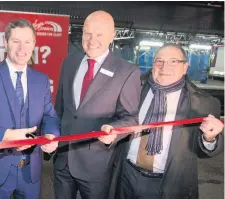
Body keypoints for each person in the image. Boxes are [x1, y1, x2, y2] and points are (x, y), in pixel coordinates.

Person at [110, 43, 224, 199]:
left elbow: (204, 151)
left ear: (185, 67)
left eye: (173, 61)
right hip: (126, 175)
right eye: (159, 61)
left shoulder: (204, 103)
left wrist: (209, 138)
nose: (164, 67)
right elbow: (119, 119)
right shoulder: (134, 88)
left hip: (170, 184)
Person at [0, 18, 60, 199]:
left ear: (34, 44)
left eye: (27, 42)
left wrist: (51, 135)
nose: (22, 48)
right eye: (16, 41)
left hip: (31, 172)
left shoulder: (41, 80)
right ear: (6, 43)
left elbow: (50, 116)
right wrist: (6, 135)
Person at [53, 10, 141, 199]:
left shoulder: (127, 71)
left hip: (96, 164)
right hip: (63, 159)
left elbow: (131, 117)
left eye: (99, 34)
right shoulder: (69, 63)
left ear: (113, 36)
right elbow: (60, 108)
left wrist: (115, 129)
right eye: (87, 33)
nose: (92, 40)